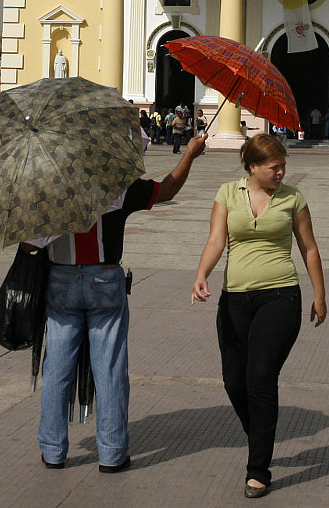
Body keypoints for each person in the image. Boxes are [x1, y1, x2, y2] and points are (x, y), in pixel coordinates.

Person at [33, 132, 209, 472]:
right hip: (105, 281)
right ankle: (112, 454)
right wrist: (189, 154)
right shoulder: (115, 183)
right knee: (109, 368)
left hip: (62, 282)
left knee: (56, 368)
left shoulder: (47, 185)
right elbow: (167, 190)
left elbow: (28, 246)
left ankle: (53, 450)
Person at [192, 133, 327, 498]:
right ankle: (261, 435)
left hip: (280, 296)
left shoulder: (293, 199)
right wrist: (202, 273)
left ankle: (258, 469)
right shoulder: (227, 194)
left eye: (283, 166)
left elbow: (309, 248)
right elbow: (216, 240)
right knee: (235, 382)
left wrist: (320, 294)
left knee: (261, 378)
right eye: (274, 167)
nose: (281, 172)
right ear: (252, 167)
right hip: (234, 298)